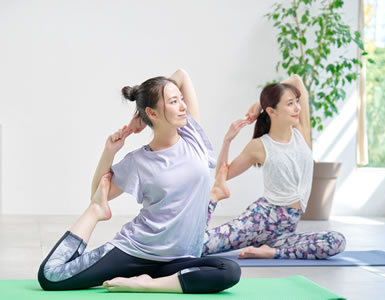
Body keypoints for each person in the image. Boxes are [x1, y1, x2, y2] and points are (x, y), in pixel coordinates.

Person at [37, 69, 241, 293]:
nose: (183, 106)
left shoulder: (192, 136)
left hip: (180, 259)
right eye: (174, 101)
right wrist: (109, 152)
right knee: (51, 277)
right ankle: (102, 225)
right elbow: (98, 193)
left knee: (229, 270)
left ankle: (146, 284)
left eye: (181, 99)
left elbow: (182, 75)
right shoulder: (139, 161)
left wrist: (142, 117)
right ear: (153, 113)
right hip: (135, 252)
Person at [202, 75, 346, 260]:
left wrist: (258, 103)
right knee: (198, 246)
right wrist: (227, 140)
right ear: (272, 111)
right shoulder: (260, 146)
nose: (297, 108)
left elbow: (296, 79)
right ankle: (210, 204)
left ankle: (270, 252)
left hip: (285, 230)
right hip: (259, 220)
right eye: (290, 104)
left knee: (336, 241)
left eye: (296, 102)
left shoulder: (301, 132)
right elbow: (223, 174)